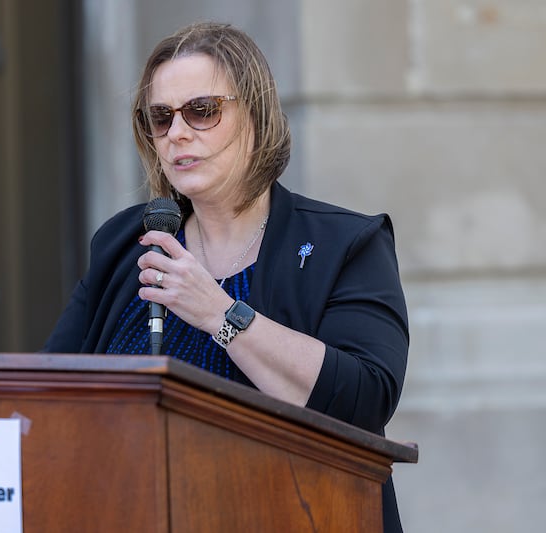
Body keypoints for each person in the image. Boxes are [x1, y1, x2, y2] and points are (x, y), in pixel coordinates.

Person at [44, 22, 408, 532]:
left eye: (202, 110)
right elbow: (50, 385)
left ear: (255, 115)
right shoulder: (125, 243)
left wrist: (218, 312)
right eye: (160, 117)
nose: (177, 133)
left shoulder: (344, 245)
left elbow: (364, 401)